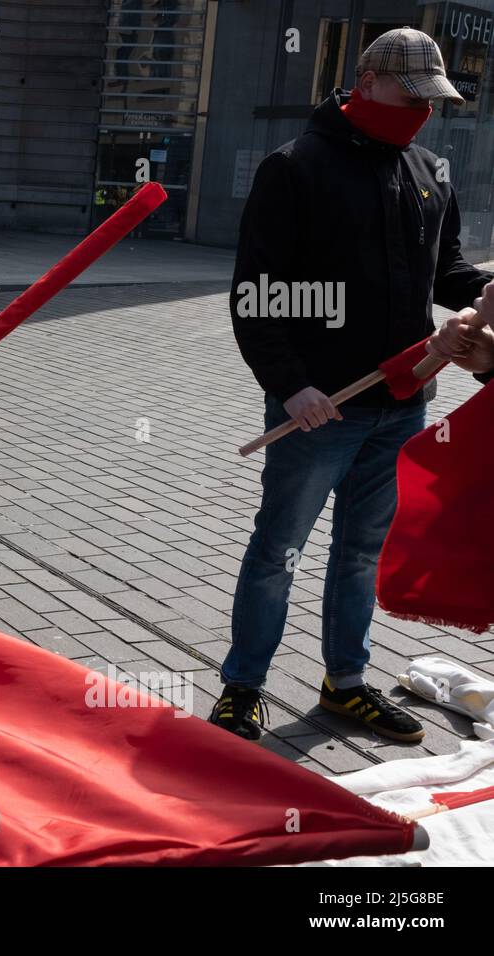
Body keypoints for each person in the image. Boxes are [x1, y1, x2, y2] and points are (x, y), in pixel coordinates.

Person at [212, 28, 491, 744]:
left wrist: (487, 286)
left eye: (433, 100)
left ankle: (346, 683)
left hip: (400, 404)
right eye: (412, 95)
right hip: (318, 411)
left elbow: (447, 271)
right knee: (279, 550)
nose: (423, 111)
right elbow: (257, 297)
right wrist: (292, 386)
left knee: (362, 553)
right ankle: (242, 687)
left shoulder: (430, 169)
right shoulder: (297, 167)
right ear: (366, 81)